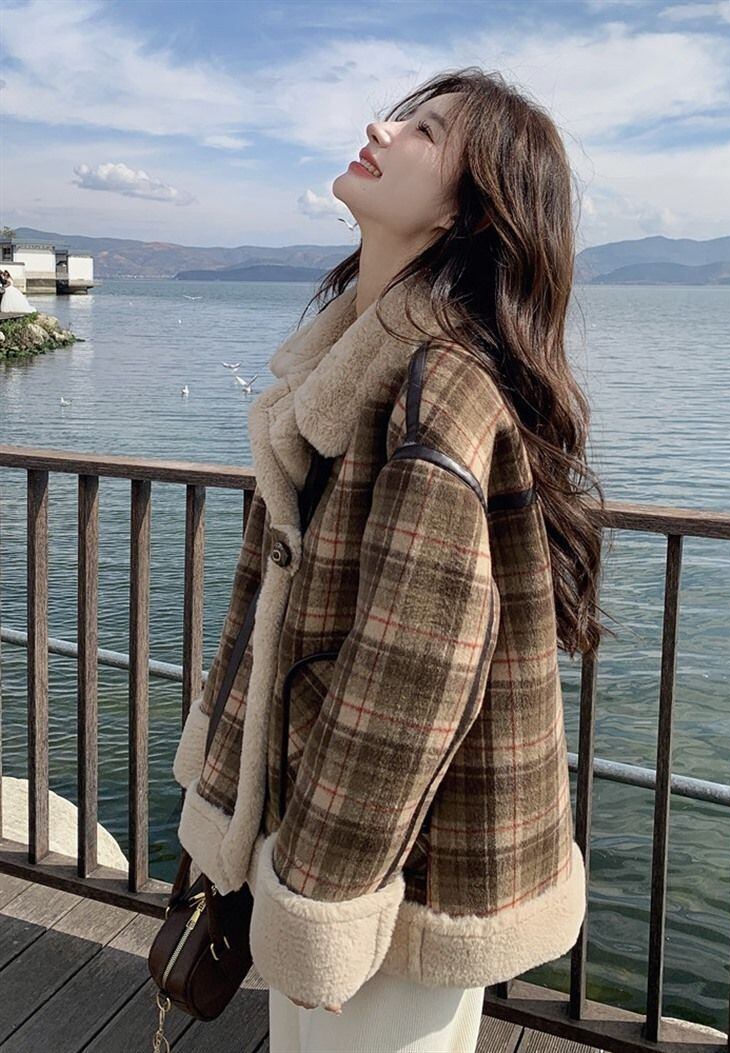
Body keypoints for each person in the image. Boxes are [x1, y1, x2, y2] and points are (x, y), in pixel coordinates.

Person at [171, 66, 610, 1053]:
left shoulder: (436, 382)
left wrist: (325, 898)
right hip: (337, 835)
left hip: (395, 872)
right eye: (401, 114)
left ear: (471, 208)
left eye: (426, 129)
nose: (379, 127)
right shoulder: (356, 364)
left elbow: (413, 672)